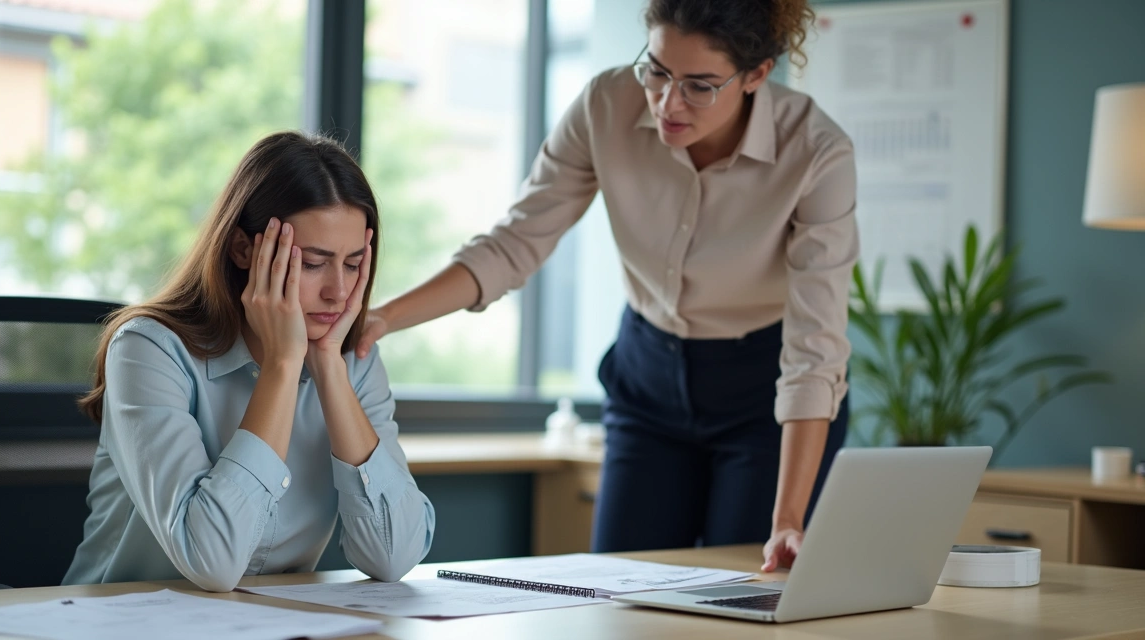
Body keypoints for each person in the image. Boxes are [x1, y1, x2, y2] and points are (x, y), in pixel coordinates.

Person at [355, 0, 856, 573]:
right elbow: (515, 243)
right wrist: (386, 317)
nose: (668, 102)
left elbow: (815, 349)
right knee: (618, 588)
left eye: (699, 86)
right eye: (658, 71)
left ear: (756, 76)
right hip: (649, 376)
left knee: (743, 587)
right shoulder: (605, 104)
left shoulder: (816, 150)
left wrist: (789, 518)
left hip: (764, 393)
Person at [64, 131, 435, 592]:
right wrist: (283, 363)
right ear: (244, 249)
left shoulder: (352, 362)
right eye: (314, 263)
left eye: (354, 264)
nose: (338, 292)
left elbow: (394, 555)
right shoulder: (148, 350)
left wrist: (329, 370)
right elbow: (212, 561)